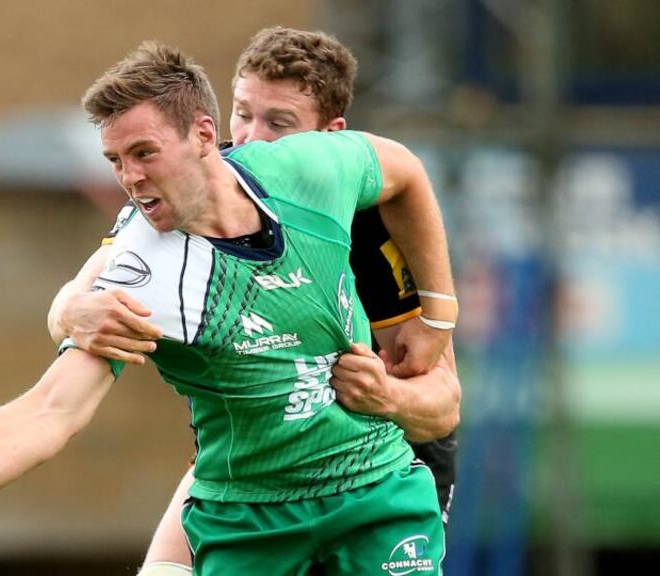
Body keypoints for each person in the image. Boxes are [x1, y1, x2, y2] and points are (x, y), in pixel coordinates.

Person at [0, 42, 457, 575]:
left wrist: (439, 312)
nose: (129, 176)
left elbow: (404, 170)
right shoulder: (144, 269)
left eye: (145, 152)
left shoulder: (307, 172)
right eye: (115, 160)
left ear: (203, 135)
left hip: (376, 491)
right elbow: (50, 409)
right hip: (250, 517)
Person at [47, 28, 460, 575]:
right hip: (252, 474)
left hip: (382, 469)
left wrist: (409, 362)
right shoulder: (199, 188)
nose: (249, 138)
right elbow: (92, 281)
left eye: (278, 124)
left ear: (332, 135)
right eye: (242, 114)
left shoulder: (365, 222)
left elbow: (441, 410)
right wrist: (68, 309)